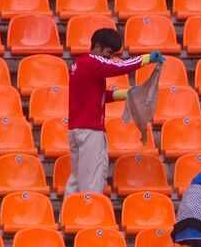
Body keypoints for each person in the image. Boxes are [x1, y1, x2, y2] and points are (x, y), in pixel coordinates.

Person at [68, 28, 163, 196]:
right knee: (91, 185)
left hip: (77, 129)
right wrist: (147, 58)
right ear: (97, 47)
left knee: (77, 182)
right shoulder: (93, 62)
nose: (110, 57)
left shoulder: (79, 63)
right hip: (90, 131)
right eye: (109, 53)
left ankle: (69, 212)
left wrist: (126, 94)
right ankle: (90, 212)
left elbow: (97, 95)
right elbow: (120, 66)